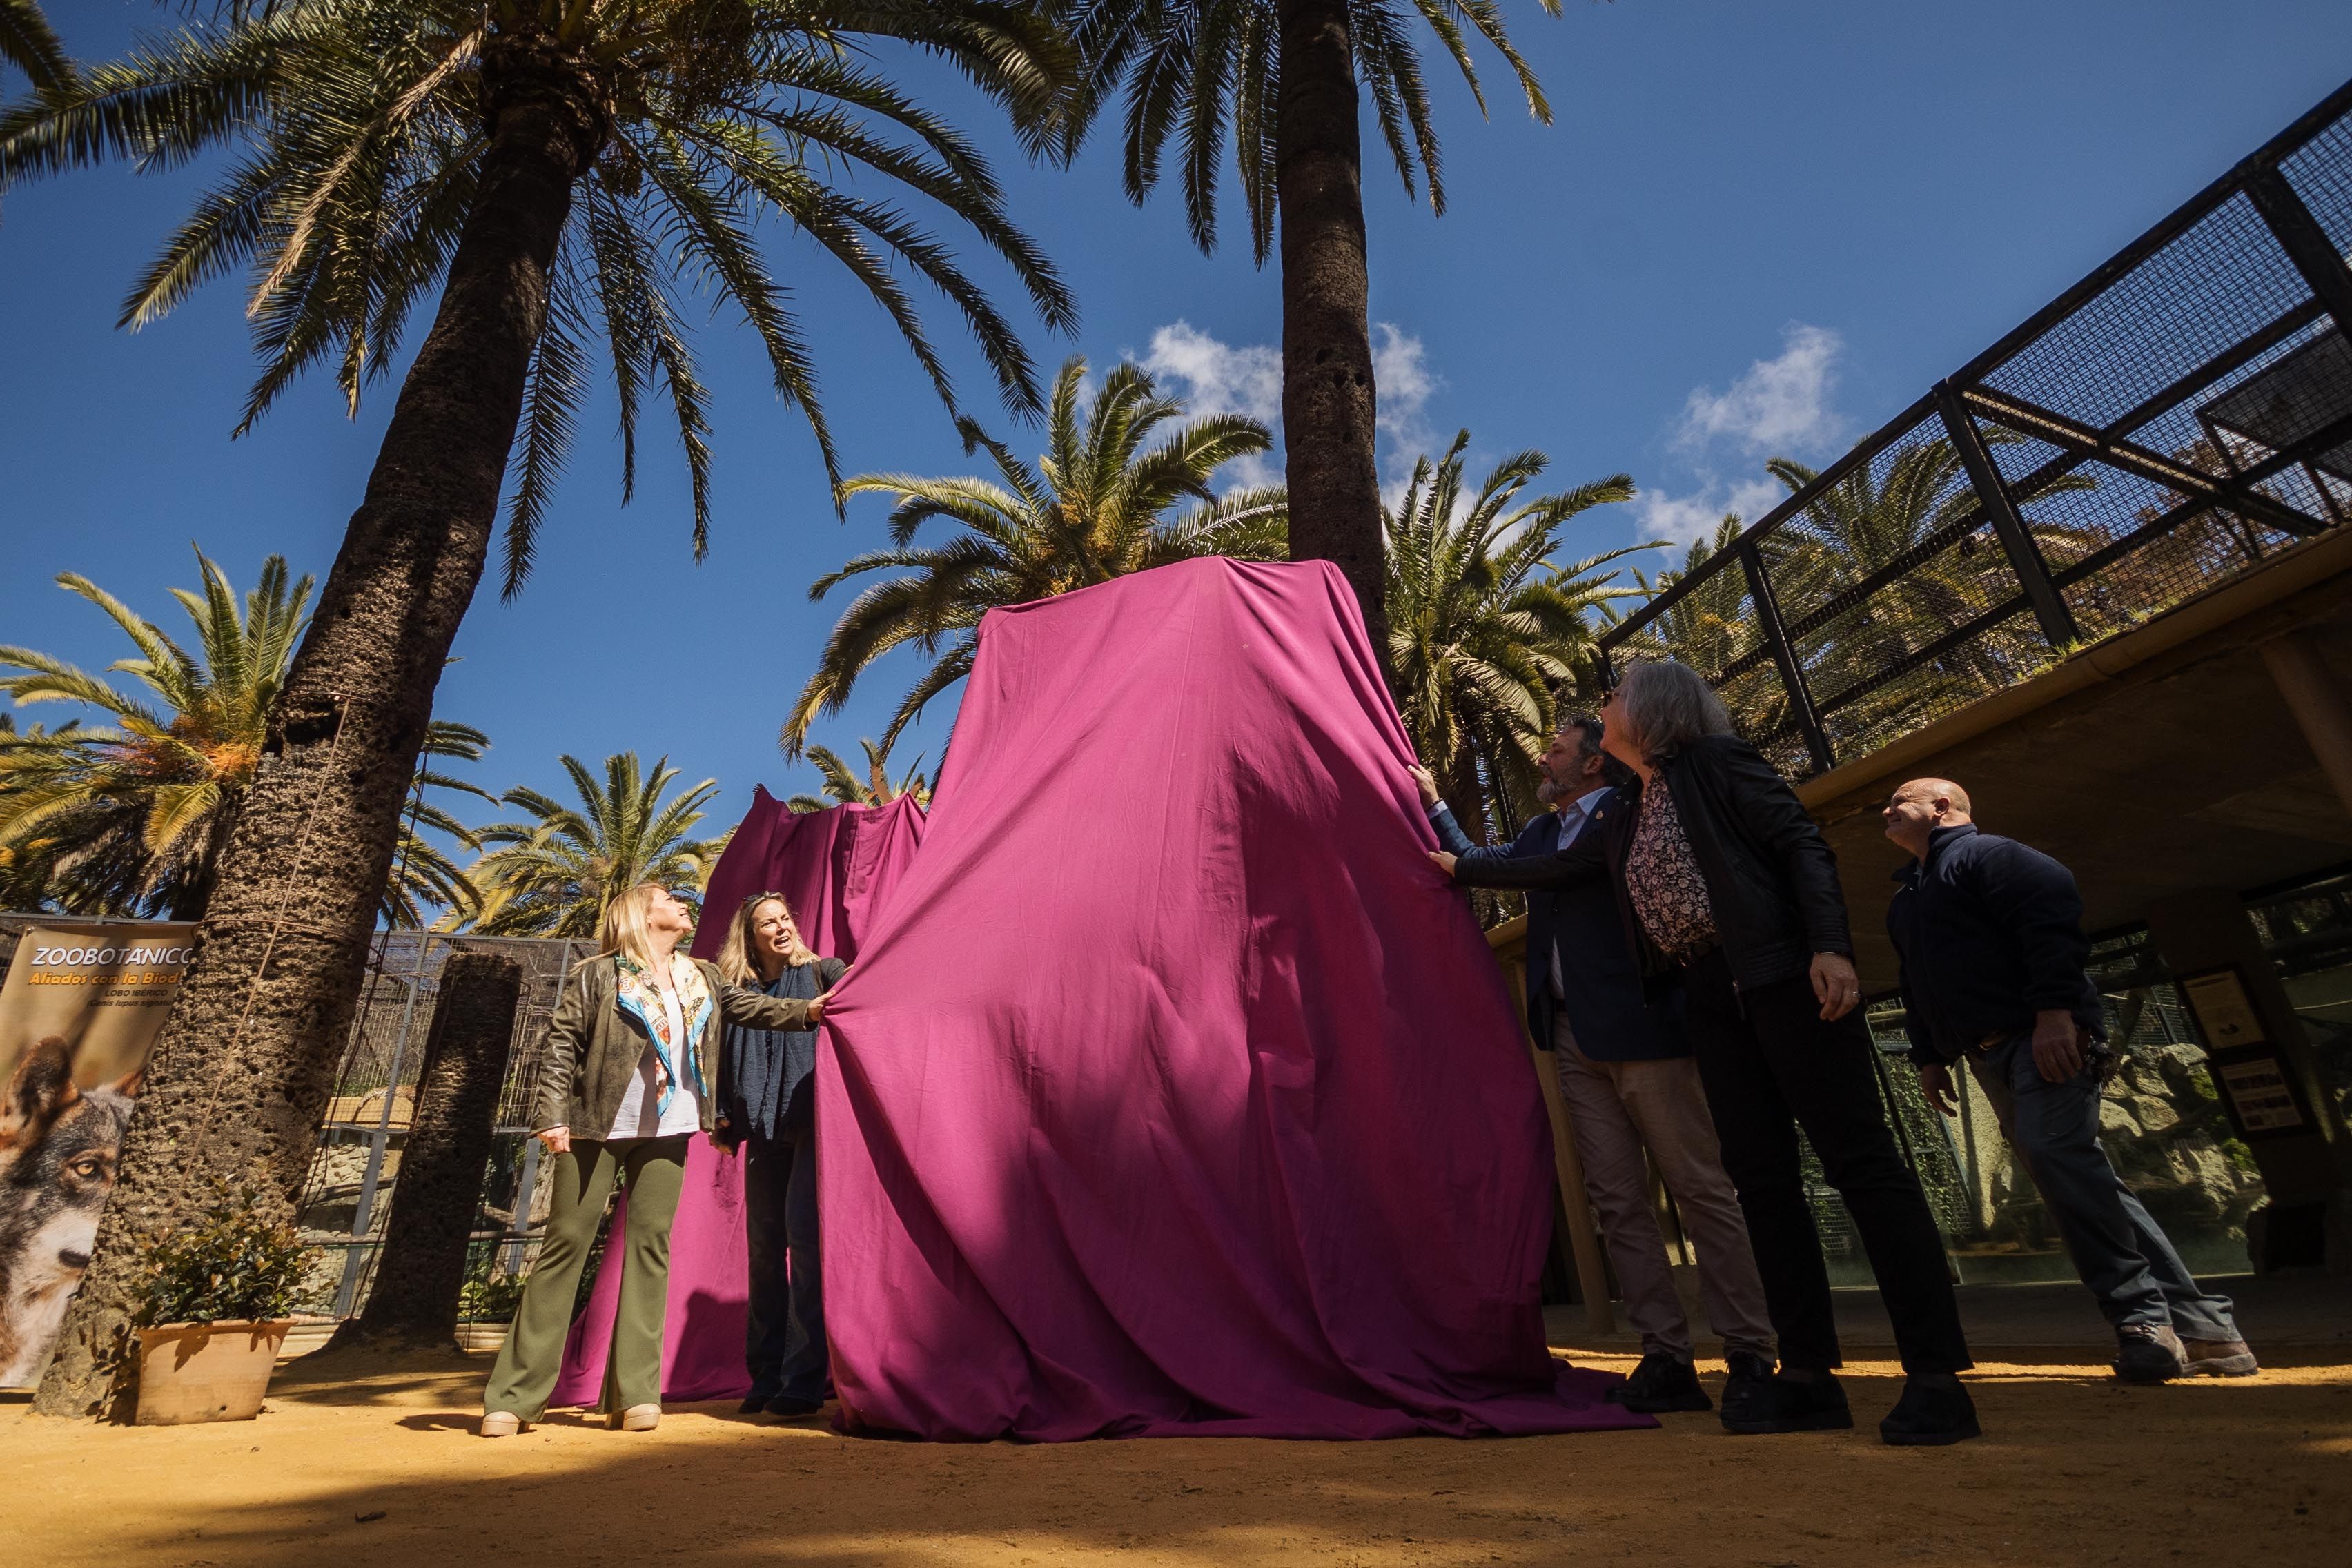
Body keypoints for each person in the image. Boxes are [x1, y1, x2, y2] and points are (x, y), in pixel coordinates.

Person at [1432, 660, 1979, 1445]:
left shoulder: (1717, 765)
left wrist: (1828, 946)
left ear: (1652, 710)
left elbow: (1801, 847)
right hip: (1708, 996)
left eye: (1613, 697)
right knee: (1761, 1181)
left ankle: (1933, 1376)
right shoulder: (1629, 809)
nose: (1602, 707)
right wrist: (1452, 851)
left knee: (1862, 1165)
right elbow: (1547, 870)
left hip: (1784, 975)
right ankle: (1809, 1376)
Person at [1414, 717, 1776, 1414]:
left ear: (1589, 766)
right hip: (1574, 1038)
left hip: (1643, 1029)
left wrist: (1467, 864)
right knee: (1616, 1201)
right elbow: (1490, 863)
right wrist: (1433, 806)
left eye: (1555, 750)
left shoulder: (1621, 811)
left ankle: (1750, 1350)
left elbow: (1540, 873)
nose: (1541, 758)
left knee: (1698, 1188)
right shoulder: (1543, 831)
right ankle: (1666, 1354)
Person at [1882, 778, 2259, 1383]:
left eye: (1900, 801)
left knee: (2056, 1154)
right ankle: (2205, 1326)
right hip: (1986, 1056)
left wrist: (2056, 1012)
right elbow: (1915, 984)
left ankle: (2142, 1319)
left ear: (1942, 808)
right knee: (2076, 1173)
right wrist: (1928, 1056)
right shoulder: (1907, 901)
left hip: (2044, 1039)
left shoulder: (1995, 856)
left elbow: (2051, 918)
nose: (1887, 810)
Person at [480, 883, 836, 1437]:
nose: (684, 904)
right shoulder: (597, 973)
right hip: (595, 1126)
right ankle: (515, 1396)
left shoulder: (702, 975)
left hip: (668, 1131)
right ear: (643, 914)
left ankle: (636, 1395)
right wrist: (551, 1113)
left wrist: (808, 1010)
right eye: (671, 898)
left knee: (651, 1253)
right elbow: (562, 1043)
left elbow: (750, 1008)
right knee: (564, 1250)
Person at [713, 892, 849, 1418]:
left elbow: (868, 986)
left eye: (785, 918)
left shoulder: (823, 972)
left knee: (803, 1241)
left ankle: (803, 1379)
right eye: (768, 922)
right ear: (750, 936)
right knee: (764, 1251)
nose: (781, 927)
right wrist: (722, 1111)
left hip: (812, 1125)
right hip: (760, 1129)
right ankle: (765, 1375)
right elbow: (718, 1048)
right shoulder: (736, 991)